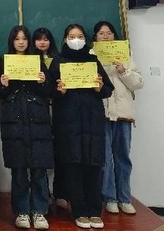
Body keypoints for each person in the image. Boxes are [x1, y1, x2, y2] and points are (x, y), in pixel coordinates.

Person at [48, 24, 114, 229]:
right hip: (68, 123)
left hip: (92, 121)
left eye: (79, 36)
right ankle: (79, 211)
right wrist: (59, 91)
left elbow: (108, 89)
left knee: (94, 167)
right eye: (71, 36)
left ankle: (95, 211)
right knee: (73, 167)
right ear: (65, 39)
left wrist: (100, 87)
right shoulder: (58, 60)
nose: (75, 40)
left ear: (86, 39)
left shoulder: (93, 60)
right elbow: (48, 90)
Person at [0, 26, 54, 229]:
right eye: (17, 39)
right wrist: (3, 84)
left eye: (24, 39)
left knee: (39, 169)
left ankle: (39, 211)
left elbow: (49, 90)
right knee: (19, 169)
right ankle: (21, 211)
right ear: (12, 41)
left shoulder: (37, 61)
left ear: (29, 41)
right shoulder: (5, 62)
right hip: (14, 122)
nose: (21, 42)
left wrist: (43, 81)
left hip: (37, 121)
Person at [92, 21, 143, 215]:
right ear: (95, 37)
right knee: (105, 158)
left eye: (109, 33)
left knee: (123, 157)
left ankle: (124, 197)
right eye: (101, 33)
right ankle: (110, 198)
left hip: (123, 114)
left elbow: (138, 83)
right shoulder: (91, 56)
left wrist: (123, 70)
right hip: (102, 114)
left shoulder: (125, 55)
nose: (105, 36)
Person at [32, 27, 66, 209]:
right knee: (41, 156)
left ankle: (60, 193)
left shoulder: (59, 59)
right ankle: (43, 194)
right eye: (39, 39)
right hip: (38, 111)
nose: (42, 42)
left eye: (46, 39)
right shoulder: (28, 60)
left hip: (60, 109)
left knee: (61, 153)